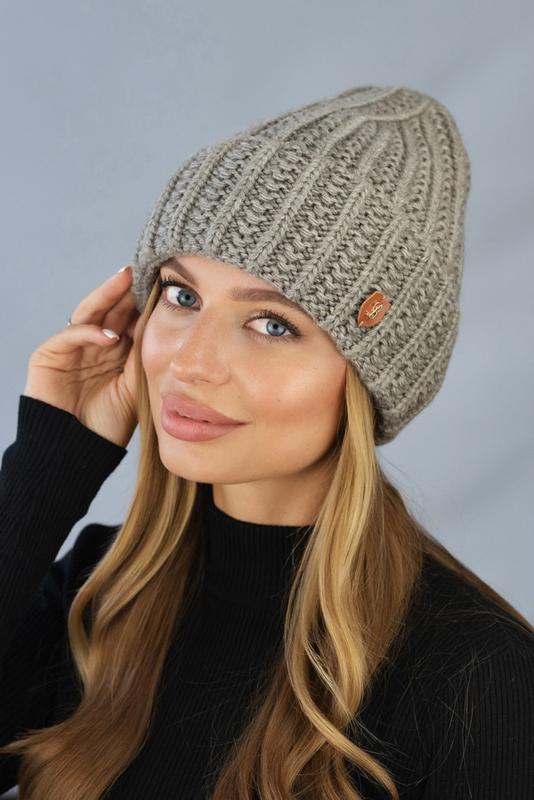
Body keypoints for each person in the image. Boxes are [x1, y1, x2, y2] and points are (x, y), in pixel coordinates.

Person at [1, 84, 533, 800]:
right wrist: (48, 466)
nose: (191, 363)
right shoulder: (97, 598)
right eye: (182, 296)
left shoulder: (478, 680)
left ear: (368, 381)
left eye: (273, 324)